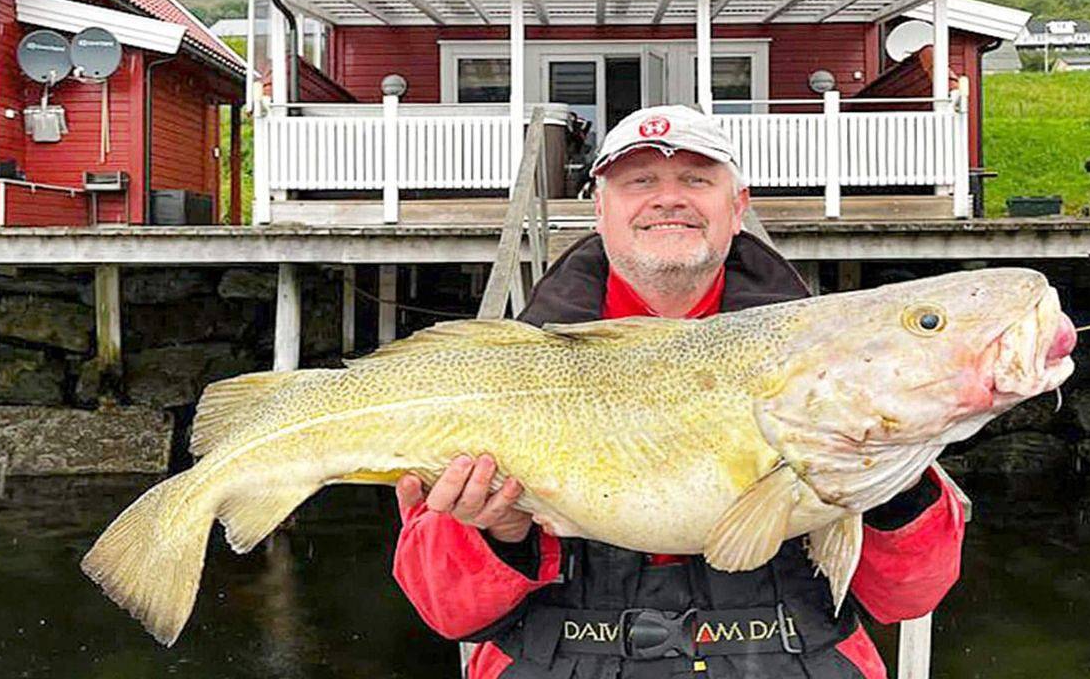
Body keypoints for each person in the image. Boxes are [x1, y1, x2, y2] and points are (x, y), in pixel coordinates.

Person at [393, 105, 965, 679]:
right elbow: (447, 610)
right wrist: (500, 531)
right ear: (599, 209)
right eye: (640, 181)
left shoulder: (835, 362)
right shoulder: (504, 368)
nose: (668, 198)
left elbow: (908, 598)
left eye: (696, 179)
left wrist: (891, 482)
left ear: (737, 207)